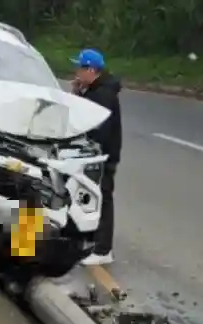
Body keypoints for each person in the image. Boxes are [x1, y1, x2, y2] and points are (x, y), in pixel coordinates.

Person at [70, 48, 122, 267]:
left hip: (102, 157)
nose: (76, 72)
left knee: (103, 198)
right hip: (97, 155)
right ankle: (92, 238)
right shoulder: (95, 91)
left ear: (91, 70)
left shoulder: (102, 95)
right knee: (92, 196)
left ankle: (103, 249)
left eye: (79, 68)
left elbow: (93, 126)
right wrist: (77, 93)